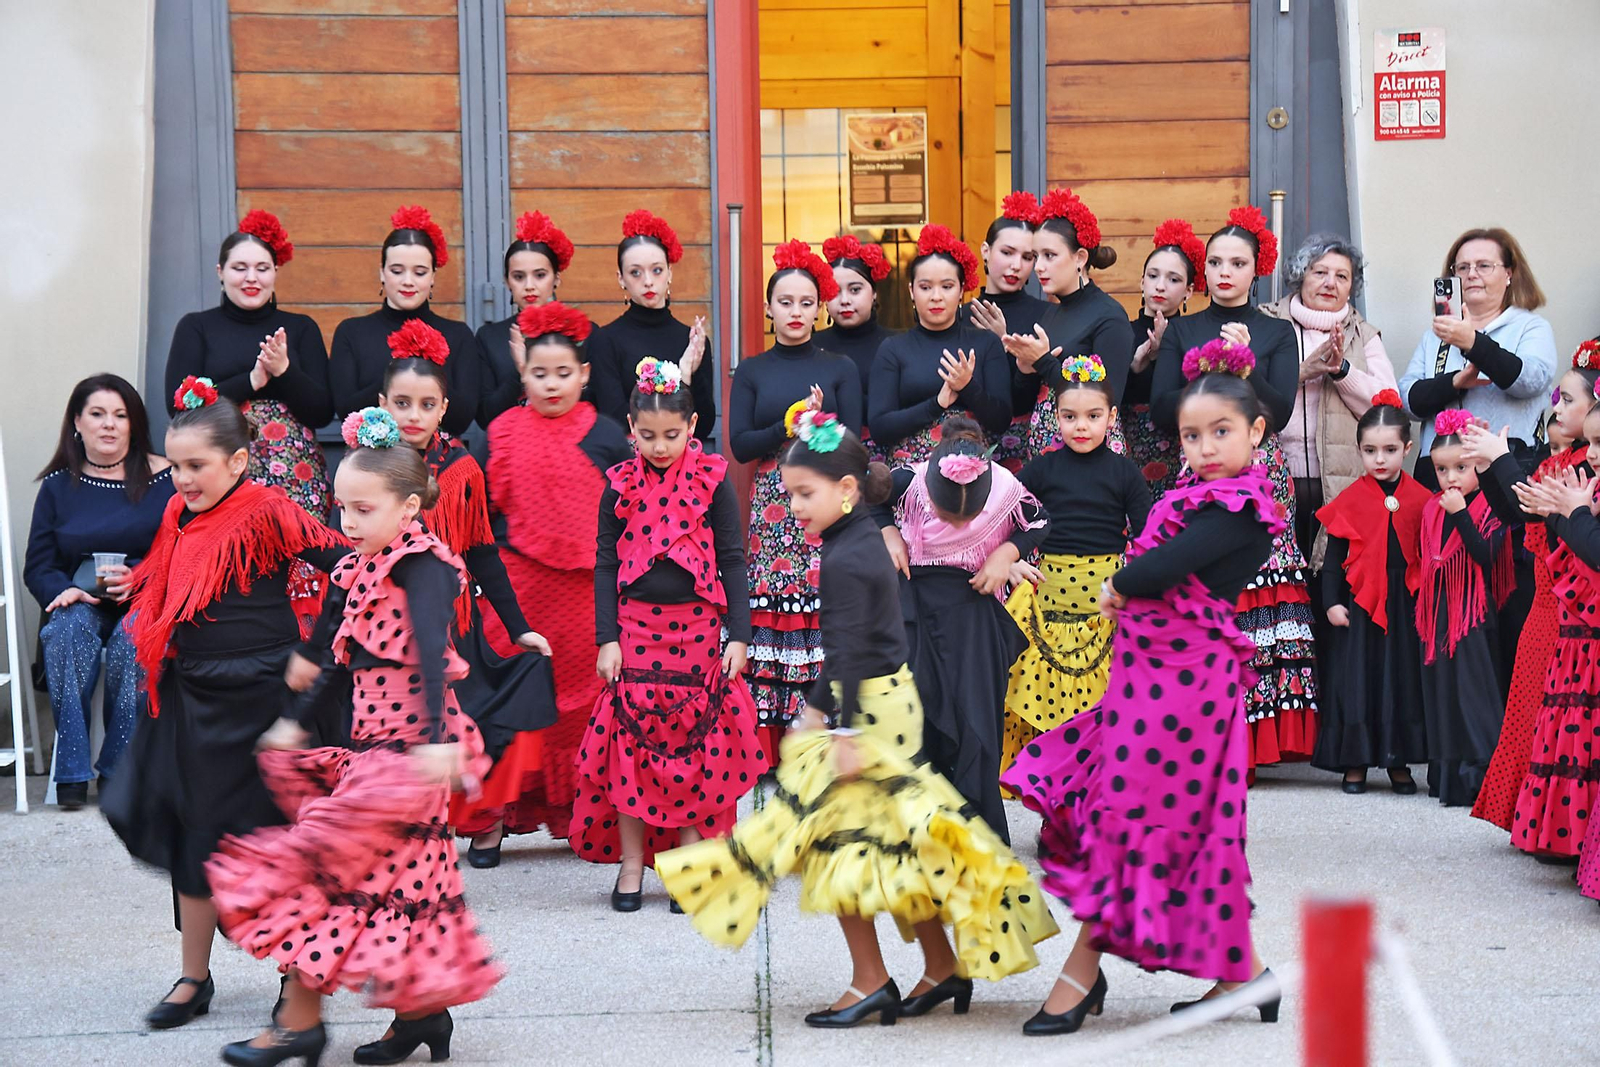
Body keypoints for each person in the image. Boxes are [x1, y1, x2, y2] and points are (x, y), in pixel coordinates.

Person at [658, 414, 1057, 1027]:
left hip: (868, 715)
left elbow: (852, 648)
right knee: (895, 848)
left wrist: (832, 723)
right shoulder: (859, 543)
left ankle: (871, 981)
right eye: (789, 492)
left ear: (846, 490)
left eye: (804, 493)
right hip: (884, 702)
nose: (793, 506)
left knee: (843, 849)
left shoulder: (846, 557)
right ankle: (939, 965)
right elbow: (868, 642)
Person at [206, 414, 500, 1067]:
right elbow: (337, 657)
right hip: (371, 751)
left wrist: (430, 739)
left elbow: (429, 649)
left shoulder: (424, 566)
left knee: (323, 870)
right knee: (398, 893)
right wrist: (296, 719)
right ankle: (422, 1015)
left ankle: (299, 1022)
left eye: (364, 508)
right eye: (342, 506)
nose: (348, 520)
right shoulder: (358, 569)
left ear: (410, 507)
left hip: (411, 755)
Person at [1004, 364, 1283, 1035]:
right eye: (1192, 435)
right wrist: (1125, 587)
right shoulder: (1194, 495)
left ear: (1257, 431)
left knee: (1141, 819)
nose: (1206, 446)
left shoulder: (1243, 509)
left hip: (1185, 689)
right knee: (1145, 818)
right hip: (1147, 677)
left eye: (1221, 431)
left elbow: (1158, 567)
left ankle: (1081, 973)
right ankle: (1245, 975)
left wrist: (1123, 583)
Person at [101, 385, 346, 1033]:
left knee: (281, 842)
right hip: (194, 694)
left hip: (264, 694)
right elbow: (173, 579)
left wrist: (316, 647)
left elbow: (349, 568)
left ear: (237, 462)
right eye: (175, 466)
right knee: (195, 832)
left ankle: (295, 983)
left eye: (196, 465)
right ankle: (193, 975)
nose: (181, 478)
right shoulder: (178, 516)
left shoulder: (268, 508)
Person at [366, 328, 559, 868]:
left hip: (453, 628)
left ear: (445, 408)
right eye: (402, 403)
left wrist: (517, 625)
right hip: (387, 631)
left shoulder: (459, 467)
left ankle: (488, 822)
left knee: (487, 714)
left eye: (427, 405)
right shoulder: (368, 469)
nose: (414, 415)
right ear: (382, 404)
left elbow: (483, 554)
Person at [578, 357, 765, 909]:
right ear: (632, 430)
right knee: (633, 746)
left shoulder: (711, 480)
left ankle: (688, 862)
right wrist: (605, 636)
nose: (660, 447)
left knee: (691, 748)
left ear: (692, 426)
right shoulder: (618, 484)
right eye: (648, 436)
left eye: (673, 435)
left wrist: (739, 634)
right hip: (636, 630)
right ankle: (633, 866)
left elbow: (733, 557)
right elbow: (606, 562)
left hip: (699, 631)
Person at [1150, 207, 1317, 770]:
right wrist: (1207, 380)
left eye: (1238, 263)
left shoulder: (1274, 331)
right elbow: (1158, 409)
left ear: (1257, 270)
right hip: (1197, 466)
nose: (1225, 272)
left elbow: (1280, 409)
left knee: (1259, 590)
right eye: (1216, 262)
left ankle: (1259, 743)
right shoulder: (1183, 327)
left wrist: (1243, 366)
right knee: (1203, 585)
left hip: (1260, 471)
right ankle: (1201, 734)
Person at [462, 302, 634, 845]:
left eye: (564, 374)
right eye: (539, 374)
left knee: (585, 700)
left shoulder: (606, 435)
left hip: (585, 592)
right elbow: (480, 517)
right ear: (522, 374)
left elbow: (628, 513)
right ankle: (494, 819)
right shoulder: (500, 432)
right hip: (519, 589)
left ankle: (584, 813)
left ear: (584, 375)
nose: (552, 385)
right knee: (514, 695)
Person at [875, 414, 1048, 841]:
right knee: (920, 717)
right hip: (916, 610)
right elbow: (862, 496)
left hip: (974, 614)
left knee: (978, 724)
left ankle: (977, 835)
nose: (955, 523)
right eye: (947, 512)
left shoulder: (1006, 485)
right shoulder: (909, 479)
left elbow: (1042, 521)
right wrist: (888, 531)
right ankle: (922, 832)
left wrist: (1007, 552)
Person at [730, 241, 862, 756]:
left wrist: (819, 427)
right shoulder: (753, 370)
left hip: (826, 501)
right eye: (785, 302)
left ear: (820, 307)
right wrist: (786, 423)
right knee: (775, 611)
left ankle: (826, 736)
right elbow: (740, 445)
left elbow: (856, 446)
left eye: (806, 302)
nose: (796, 312)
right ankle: (767, 747)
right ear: (768, 308)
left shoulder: (840, 367)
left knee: (825, 607)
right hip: (771, 502)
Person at [1465, 344, 1597, 832]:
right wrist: (1488, 464)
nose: (1556, 407)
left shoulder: (1584, 466)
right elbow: (1514, 516)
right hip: (1546, 604)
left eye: (1567, 399)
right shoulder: (1569, 458)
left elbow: (1528, 505)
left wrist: (1500, 458)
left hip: (1565, 610)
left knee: (1550, 721)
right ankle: (1533, 820)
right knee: (1533, 718)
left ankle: (1550, 826)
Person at [1000, 355, 1151, 783]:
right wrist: (1010, 562)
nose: (1081, 426)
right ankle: (1053, 800)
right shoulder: (1042, 469)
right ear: (1056, 417)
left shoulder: (1125, 473)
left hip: (1106, 604)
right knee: (1049, 710)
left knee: (1101, 713)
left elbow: (1148, 535)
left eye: (1092, 416)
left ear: (1111, 417)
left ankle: (1095, 800)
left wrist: (1136, 583)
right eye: (1070, 417)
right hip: (1047, 598)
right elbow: (1002, 516)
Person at [26, 375, 174, 808]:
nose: (109, 424)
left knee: (135, 642)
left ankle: (117, 771)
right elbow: (38, 565)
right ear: (77, 422)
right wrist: (62, 591)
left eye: (120, 415)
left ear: (134, 424)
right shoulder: (57, 486)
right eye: (97, 414)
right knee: (64, 632)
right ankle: (70, 772)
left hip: (146, 599)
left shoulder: (165, 477)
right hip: (82, 601)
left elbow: (182, 548)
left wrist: (143, 576)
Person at [164, 210, 334, 518]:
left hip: (295, 473)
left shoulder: (301, 327)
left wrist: (284, 371)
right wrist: (251, 381)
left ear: (275, 272)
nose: (251, 278)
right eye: (239, 268)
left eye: (262, 268)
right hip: (220, 470)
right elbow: (179, 408)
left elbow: (322, 412)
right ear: (220, 271)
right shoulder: (196, 327)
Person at [1310, 392, 1429, 794]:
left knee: (1401, 679)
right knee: (1358, 680)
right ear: (1359, 450)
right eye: (1370, 450)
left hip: (1404, 605)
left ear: (1407, 449)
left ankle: (1398, 762)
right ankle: (1355, 763)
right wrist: (1330, 603)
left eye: (1390, 450)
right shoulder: (1352, 499)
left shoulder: (1421, 500)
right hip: (1359, 606)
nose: (1380, 459)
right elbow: (1333, 558)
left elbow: (1427, 557)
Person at [1261, 234, 1397, 572]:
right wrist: (1302, 372)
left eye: (1341, 276)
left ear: (1352, 287)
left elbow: (1387, 408)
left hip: (1341, 480)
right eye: (1319, 272)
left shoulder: (1363, 335)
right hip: (1273, 474)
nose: (1329, 283)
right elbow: (1244, 393)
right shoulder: (1266, 321)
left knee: (1333, 581)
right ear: (1300, 275)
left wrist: (1342, 371)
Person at [1398, 227, 1557, 484]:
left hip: (1507, 468)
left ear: (1508, 274)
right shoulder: (1435, 335)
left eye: (1483, 266)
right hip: (1439, 473)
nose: (1471, 274)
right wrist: (1455, 383)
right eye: (1462, 267)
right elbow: (1407, 401)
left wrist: (1473, 343)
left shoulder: (1531, 326)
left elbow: (1532, 380)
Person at [1417, 409, 1513, 807]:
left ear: (1479, 465)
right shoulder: (1430, 508)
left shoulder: (1490, 504)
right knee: (1443, 691)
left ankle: (1483, 776)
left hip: (1473, 613)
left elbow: (1486, 555)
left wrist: (1459, 514)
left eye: (1461, 467)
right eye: (1442, 470)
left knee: (1474, 693)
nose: (1450, 477)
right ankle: (1447, 774)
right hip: (1439, 612)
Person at [999, 188, 1133, 461]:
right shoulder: (1051, 314)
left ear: (1080, 259)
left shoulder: (1109, 317)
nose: (1038, 267)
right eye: (1036, 256)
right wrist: (1025, 370)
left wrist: (1045, 363)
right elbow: (1024, 404)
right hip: (1045, 464)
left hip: (1090, 462)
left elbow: (1106, 402)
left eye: (1050, 255)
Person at [330, 205, 480, 436]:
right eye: (397, 271)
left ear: (432, 277)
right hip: (373, 462)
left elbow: (462, 419)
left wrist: (429, 364)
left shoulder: (458, 335)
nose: (408, 281)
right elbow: (347, 411)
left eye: (419, 272)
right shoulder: (352, 332)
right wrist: (396, 367)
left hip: (441, 461)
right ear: (382, 273)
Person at [869, 224, 1011, 464]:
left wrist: (968, 387)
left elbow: (1001, 421)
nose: (936, 296)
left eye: (947, 286)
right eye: (925, 287)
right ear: (911, 291)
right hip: (911, 474)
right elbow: (880, 428)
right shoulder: (893, 349)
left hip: (974, 473)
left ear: (962, 290)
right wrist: (936, 404)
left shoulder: (986, 343)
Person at [586, 210, 716, 440]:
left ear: (670, 273)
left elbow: (703, 424)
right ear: (621, 279)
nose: (647, 281)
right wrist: (680, 380)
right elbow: (615, 419)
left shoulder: (692, 342)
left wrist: (689, 371)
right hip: (628, 465)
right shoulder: (605, 340)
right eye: (635, 272)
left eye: (656, 270)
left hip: (684, 469)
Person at [962, 193, 1050, 467]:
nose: (1016, 265)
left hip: (1025, 452)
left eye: (1027, 257)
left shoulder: (1044, 315)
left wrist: (1004, 342)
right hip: (965, 449)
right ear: (986, 251)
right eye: (1007, 252)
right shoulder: (960, 315)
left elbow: (1022, 400)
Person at [1123, 219, 1202, 498]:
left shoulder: (1195, 335)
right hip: (1129, 448)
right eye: (1153, 276)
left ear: (1188, 292)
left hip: (1183, 450)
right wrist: (1137, 365)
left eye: (1174, 279)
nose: (1160, 286)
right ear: (1141, 281)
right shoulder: (1121, 330)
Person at [477, 210, 579, 426]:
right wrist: (519, 372)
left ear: (556, 278)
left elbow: (594, 407)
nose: (529, 286)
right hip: (510, 449)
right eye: (519, 277)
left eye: (540, 275)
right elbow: (486, 417)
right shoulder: (491, 337)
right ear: (507, 282)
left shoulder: (581, 333)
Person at [814, 234, 894, 455]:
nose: (845, 300)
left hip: (887, 463)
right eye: (835, 291)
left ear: (874, 292)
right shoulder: (812, 347)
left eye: (855, 289)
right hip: (822, 459)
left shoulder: (896, 345)